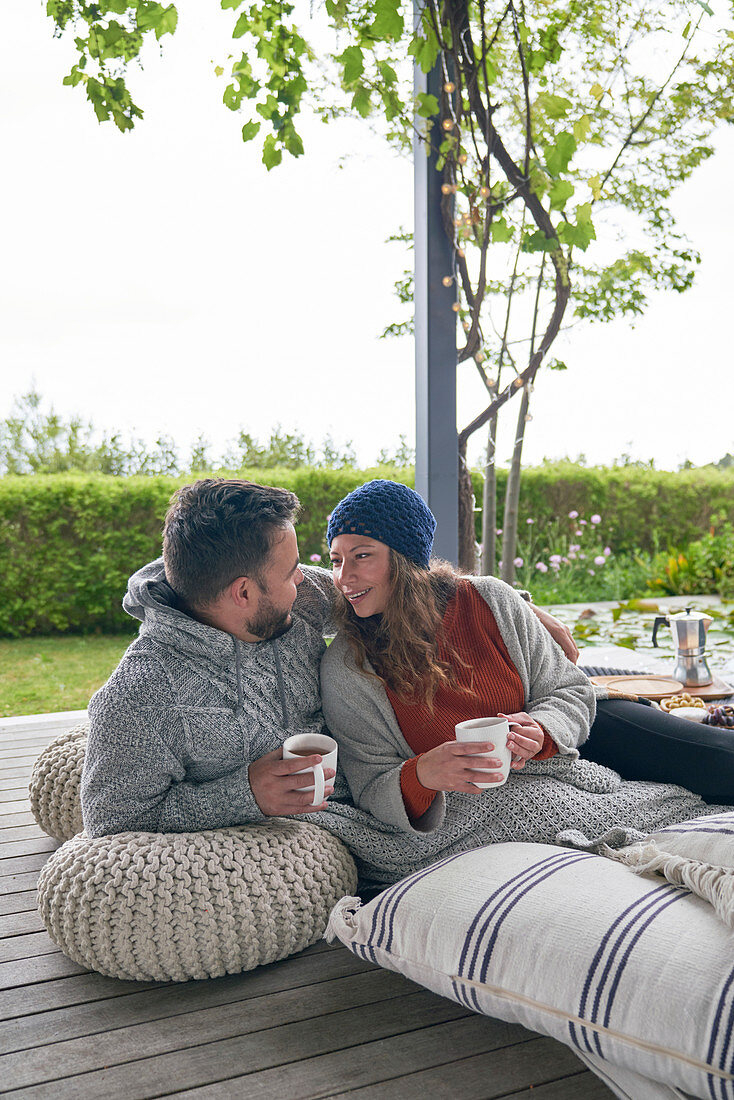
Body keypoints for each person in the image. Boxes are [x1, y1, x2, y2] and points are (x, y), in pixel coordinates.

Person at [319, 479, 730, 871]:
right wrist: (423, 774)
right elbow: (371, 786)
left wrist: (543, 730)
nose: (344, 577)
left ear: (406, 557)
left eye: (362, 555)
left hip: (580, 741)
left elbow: (570, 688)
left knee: (715, 756)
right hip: (501, 797)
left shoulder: (490, 600)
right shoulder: (348, 669)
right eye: (336, 560)